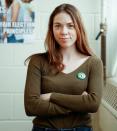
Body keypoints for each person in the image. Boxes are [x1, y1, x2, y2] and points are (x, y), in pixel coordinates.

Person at [24, 3, 103, 131]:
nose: (64, 32)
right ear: (52, 29)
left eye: (70, 26)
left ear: (79, 28)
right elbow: (31, 107)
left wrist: (51, 96)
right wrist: (80, 104)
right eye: (58, 26)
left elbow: (93, 104)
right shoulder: (37, 61)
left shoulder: (93, 63)